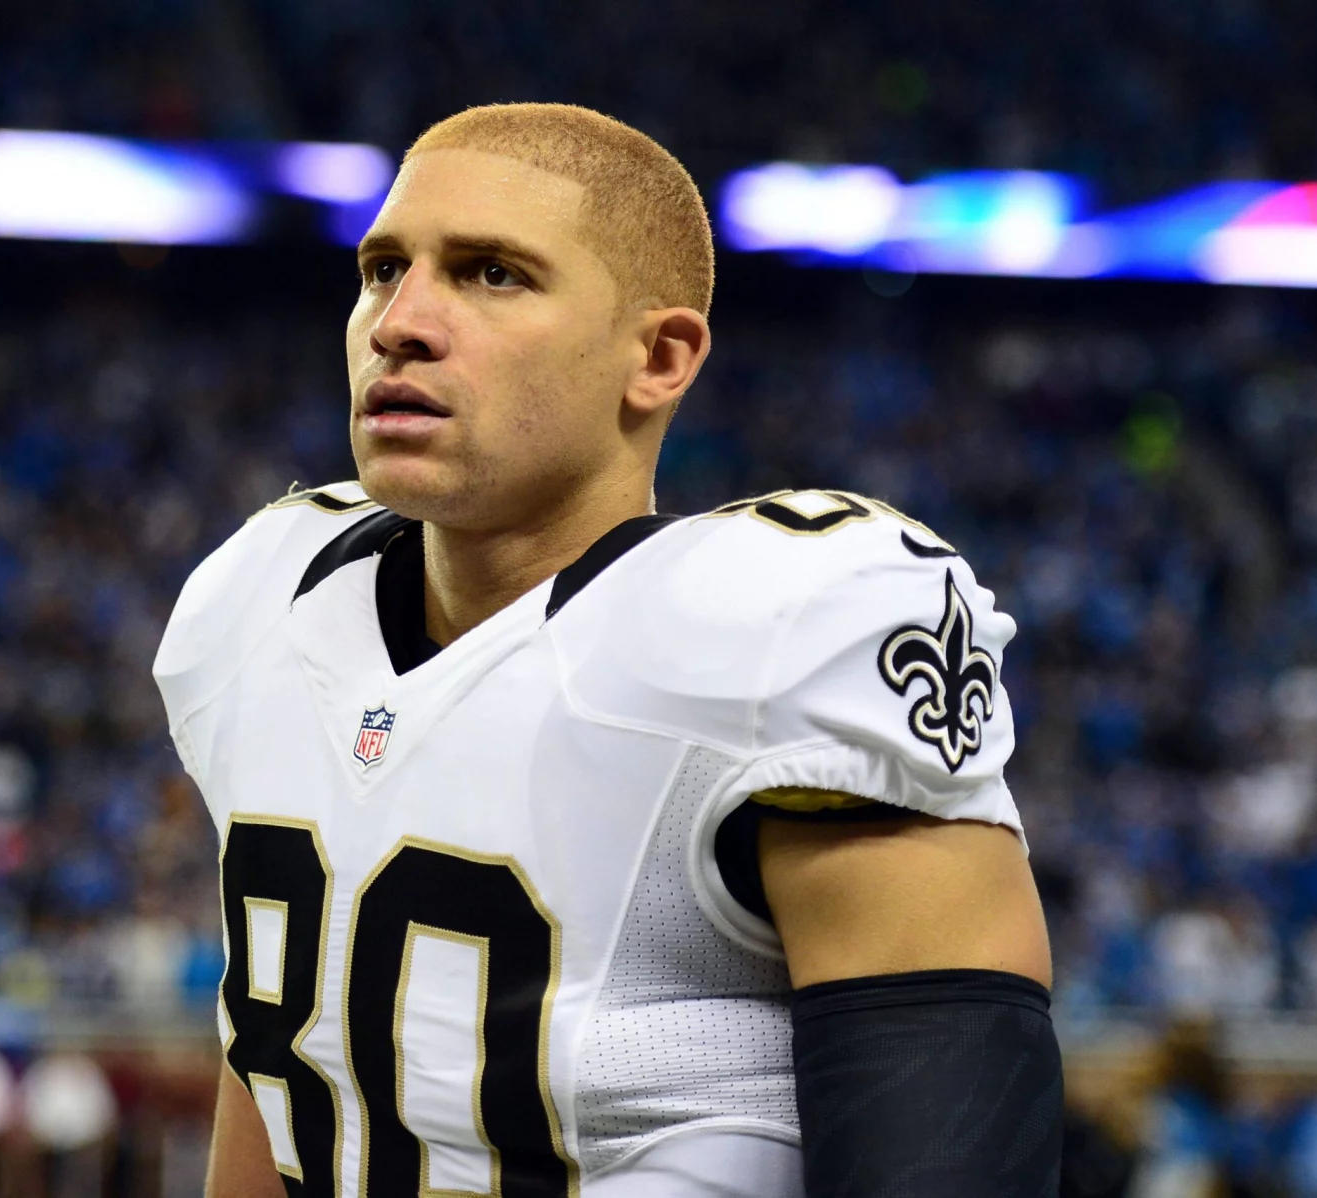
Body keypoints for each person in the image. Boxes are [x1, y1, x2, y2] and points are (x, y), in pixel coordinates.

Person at [153, 102, 1060, 1197]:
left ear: (661, 357)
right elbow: (288, 1057)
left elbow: (951, 1157)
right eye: (384, 268)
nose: (401, 320)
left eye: (492, 274)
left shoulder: (783, 627)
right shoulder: (258, 602)